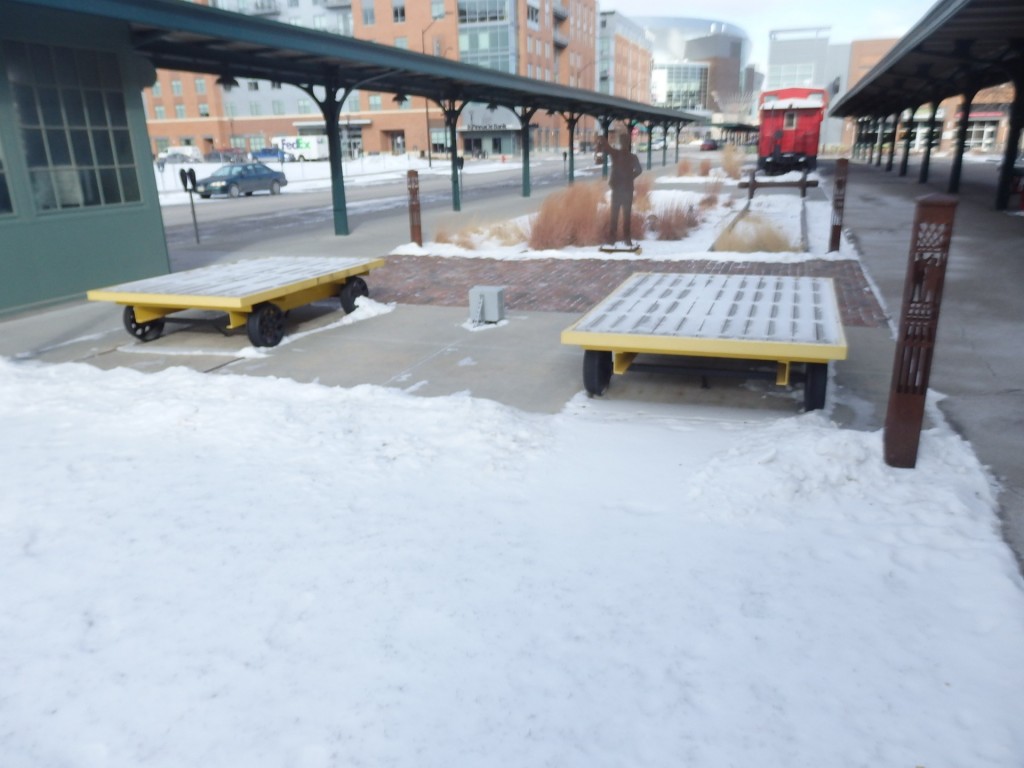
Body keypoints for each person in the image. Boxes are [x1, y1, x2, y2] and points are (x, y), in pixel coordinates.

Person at [596, 132, 642, 247]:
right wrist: (630, 177)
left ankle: (612, 239)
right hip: (627, 190)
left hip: (617, 190)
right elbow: (639, 170)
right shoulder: (632, 157)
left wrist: (602, 138)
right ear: (628, 143)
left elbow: (607, 147)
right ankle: (627, 239)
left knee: (614, 215)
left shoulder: (615, 154)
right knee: (626, 215)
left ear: (621, 143)